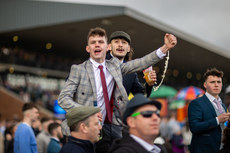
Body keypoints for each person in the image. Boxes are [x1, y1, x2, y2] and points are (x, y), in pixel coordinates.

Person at [58, 27, 177, 152]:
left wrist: (165, 48)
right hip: (85, 130)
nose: (120, 45)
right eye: (94, 43)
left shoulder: (116, 68)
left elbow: (141, 63)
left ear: (105, 47)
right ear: (109, 47)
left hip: (114, 129)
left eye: (101, 42)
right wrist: (86, 112)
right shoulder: (78, 70)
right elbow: (63, 98)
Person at [188, 68, 230, 153]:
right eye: (212, 82)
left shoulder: (222, 105)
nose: (216, 85)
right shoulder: (196, 103)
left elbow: (223, 127)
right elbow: (194, 127)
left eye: (219, 82)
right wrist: (217, 120)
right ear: (205, 85)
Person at [106, 31, 157, 97]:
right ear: (109, 47)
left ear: (128, 48)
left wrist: (149, 85)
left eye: (124, 42)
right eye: (116, 42)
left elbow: (142, 96)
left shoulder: (131, 73)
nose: (120, 45)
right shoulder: (99, 63)